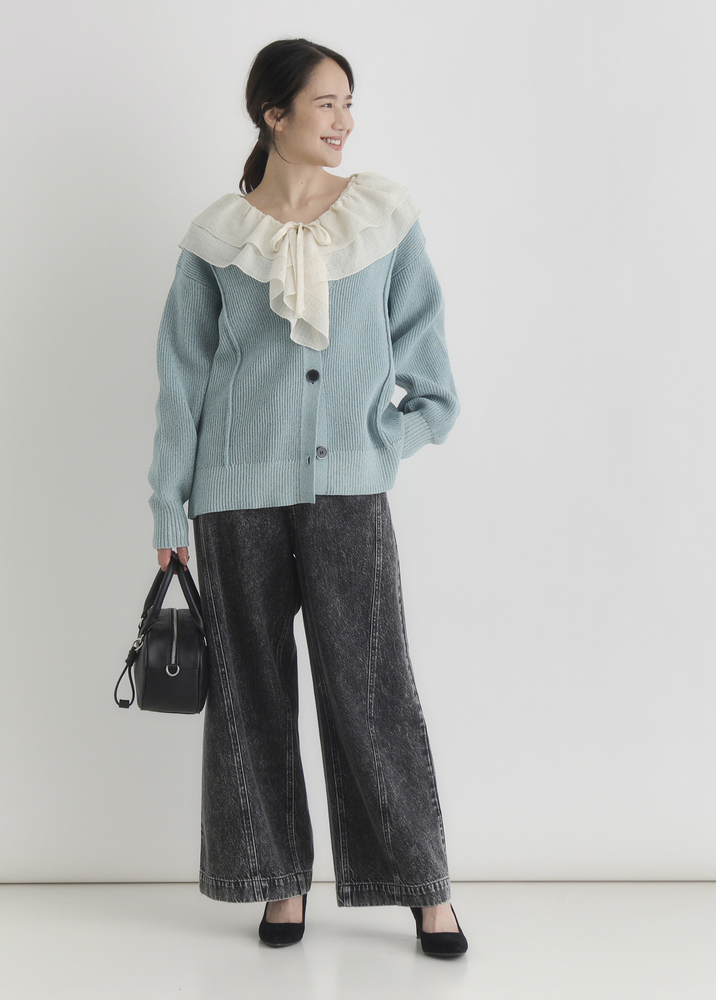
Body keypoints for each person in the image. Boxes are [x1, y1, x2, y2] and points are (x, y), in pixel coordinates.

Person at [148, 38, 466, 957]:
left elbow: (433, 383)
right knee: (249, 691)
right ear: (273, 114)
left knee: (371, 687)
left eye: (347, 103)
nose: (343, 121)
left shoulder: (384, 218)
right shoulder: (216, 237)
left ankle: (424, 890)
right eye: (325, 103)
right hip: (231, 497)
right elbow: (182, 383)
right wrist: (168, 508)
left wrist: (382, 443)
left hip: (349, 497)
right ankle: (276, 882)